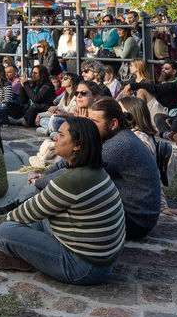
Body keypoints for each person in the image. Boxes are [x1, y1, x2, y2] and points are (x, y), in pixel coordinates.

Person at [0, 117, 125, 284]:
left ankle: (25, 256)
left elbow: (24, 213)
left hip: (85, 268)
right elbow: (38, 207)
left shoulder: (71, 180)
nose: (55, 138)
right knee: (41, 217)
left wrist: (2, 223)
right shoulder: (95, 170)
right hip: (102, 259)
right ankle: (26, 258)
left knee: (4, 232)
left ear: (77, 145)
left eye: (61, 135)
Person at [33, 97, 161, 240]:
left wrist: (40, 182)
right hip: (133, 216)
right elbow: (72, 161)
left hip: (135, 222)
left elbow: (76, 174)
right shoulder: (113, 137)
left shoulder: (120, 145)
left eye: (94, 122)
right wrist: (46, 174)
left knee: (68, 196)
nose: (89, 126)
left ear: (113, 124)